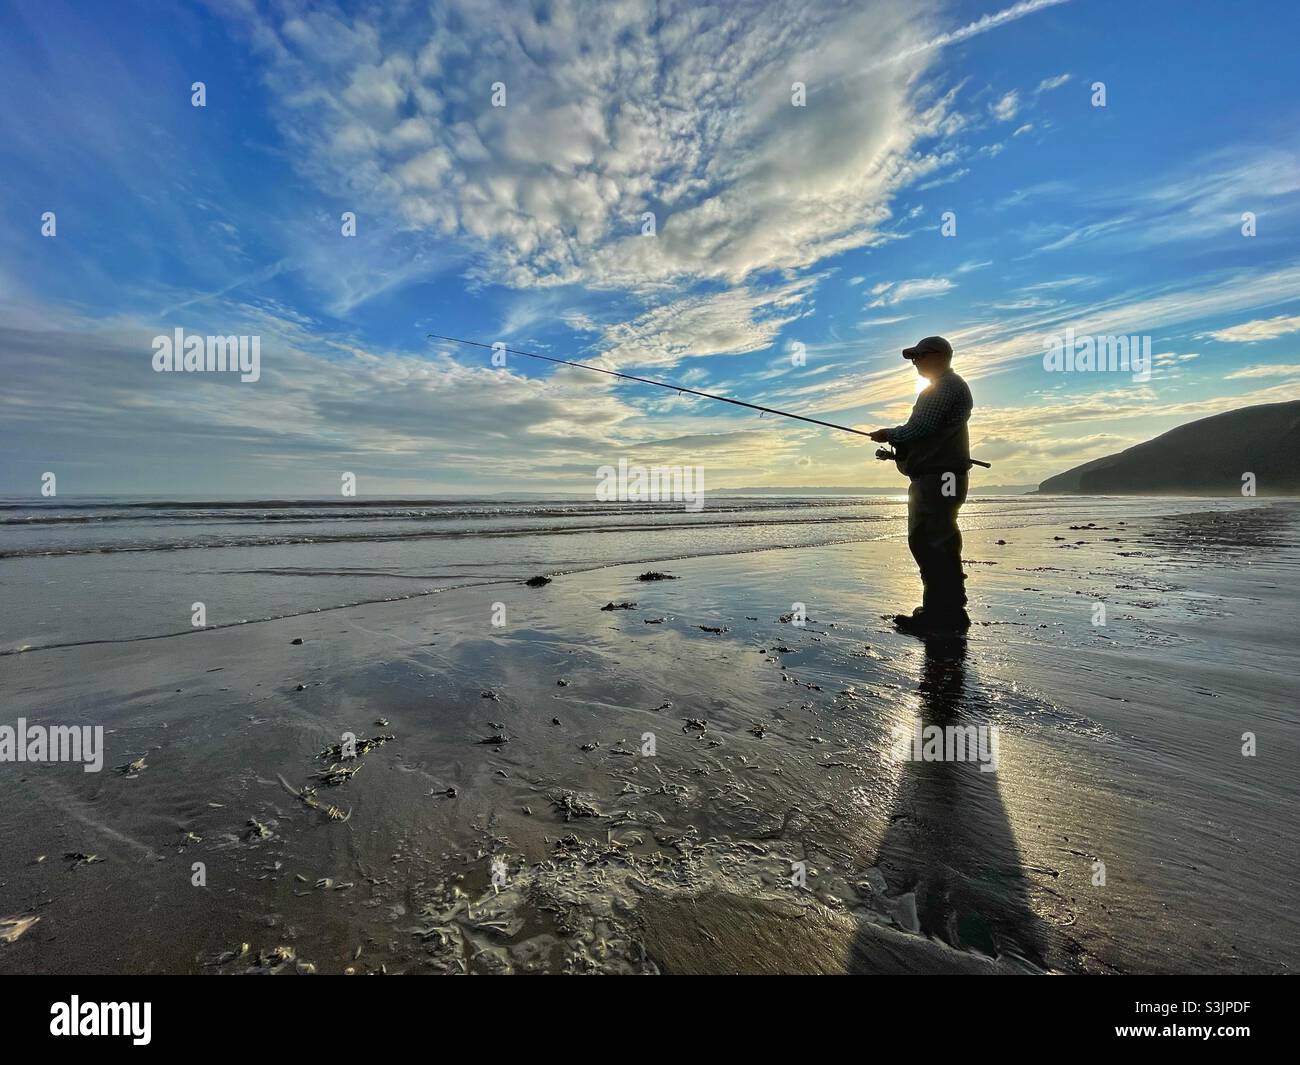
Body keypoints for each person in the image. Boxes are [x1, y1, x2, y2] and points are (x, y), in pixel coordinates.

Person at [869, 336, 973, 634]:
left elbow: (920, 428)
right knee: (936, 539)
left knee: (932, 541)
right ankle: (944, 609)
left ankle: (943, 615)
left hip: (939, 478)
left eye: (919, 356)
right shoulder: (948, 387)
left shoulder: (945, 387)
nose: (915, 362)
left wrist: (889, 434)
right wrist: (898, 451)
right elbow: (930, 435)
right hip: (942, 476)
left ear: (939, 355)